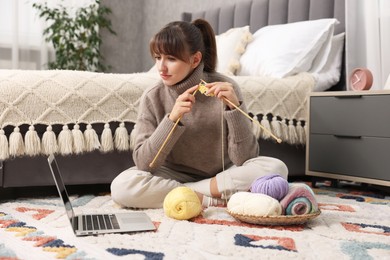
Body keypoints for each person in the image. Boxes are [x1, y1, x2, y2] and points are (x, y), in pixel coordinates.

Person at [110, 19, 288, 209]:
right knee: (122, 186)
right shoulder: (152, 96)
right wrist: (171, 119)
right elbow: (145, 164)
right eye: (157, 57)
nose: (161, 67)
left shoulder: (227, 87)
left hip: (223, 173)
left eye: (171, 59)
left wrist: (234, 110)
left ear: (195, 59)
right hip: (174, 175)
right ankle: (207, 196)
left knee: (276, 169)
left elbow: (244, 158)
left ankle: (187, 194)